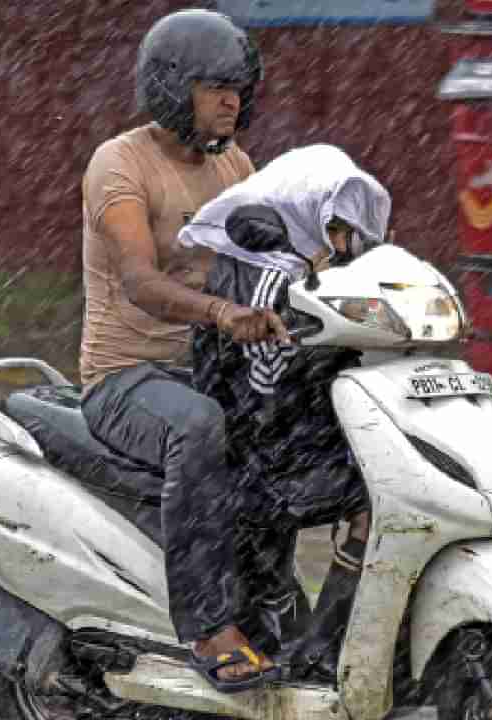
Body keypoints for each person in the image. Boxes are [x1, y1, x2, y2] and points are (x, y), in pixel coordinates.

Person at [77, 10, 292, 692]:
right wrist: (221, 312)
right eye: (215, 86)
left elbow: (276, 248)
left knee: (302, 425)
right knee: (202, 427)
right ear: (172, 87)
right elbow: (139, 281)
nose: (234, 100)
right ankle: (207, 625)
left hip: (207, 369)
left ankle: (276, 604)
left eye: (239, 87)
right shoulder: (120, 164)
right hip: (125, 377)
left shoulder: (234, 164)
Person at [180, 144, 392, 684]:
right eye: (337, 227)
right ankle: (322, 651)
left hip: (283, 432)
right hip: (253, 449)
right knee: (379, 498)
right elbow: (265, 386)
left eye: (349, 230)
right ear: (303, 213)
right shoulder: (266, 275)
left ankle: (332, 638)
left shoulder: (307, 271)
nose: (346, 243)